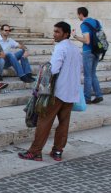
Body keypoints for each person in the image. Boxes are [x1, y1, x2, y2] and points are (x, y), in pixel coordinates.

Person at [19, 22, 82, 161]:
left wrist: (44, 69)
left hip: (57, 92)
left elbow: (53, 70)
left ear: (66, 34)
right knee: (64, 123)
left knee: (44, 121)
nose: (54, 34)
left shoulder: (61, 48)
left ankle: (35, 151)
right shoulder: (76, 49)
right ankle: (58, 151)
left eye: (57, 32)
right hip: (71, 92)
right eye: (54, 31)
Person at [72, 7, 104, 104]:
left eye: (78, 14)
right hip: (97, 50)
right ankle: (99, 95)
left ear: (81, 14)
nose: (78, 16)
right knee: (93, 73)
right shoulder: (96, 22)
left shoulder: (84, 25)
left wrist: (75, 36)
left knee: (87, 75)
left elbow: (87, 40)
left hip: (88, 51)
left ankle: (87, 98)